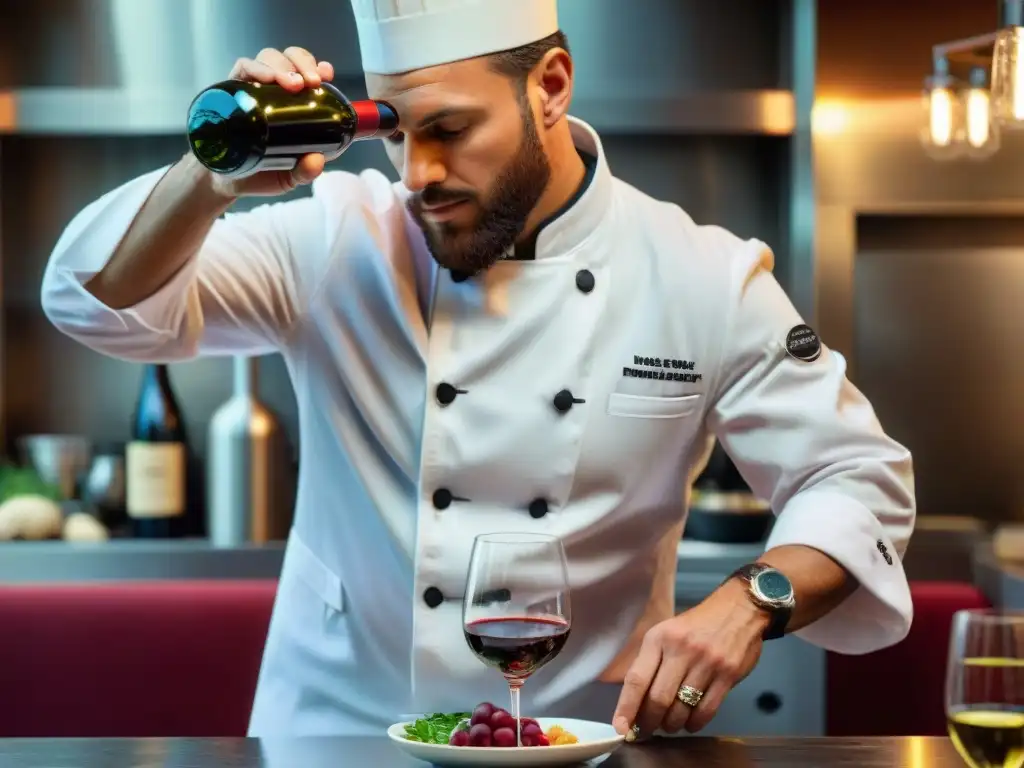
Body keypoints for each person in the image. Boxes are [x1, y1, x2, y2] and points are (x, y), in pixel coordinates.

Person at [40, 0, 916, 740]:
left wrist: (750, 599)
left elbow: (859, 477)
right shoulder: (335, 242)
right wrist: (216, 170)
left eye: (451, 129)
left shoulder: (701, 275)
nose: (418, 175)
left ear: (552, 86)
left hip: (575, 745)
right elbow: (92, 301)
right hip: (332, 741)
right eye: (395, 132)